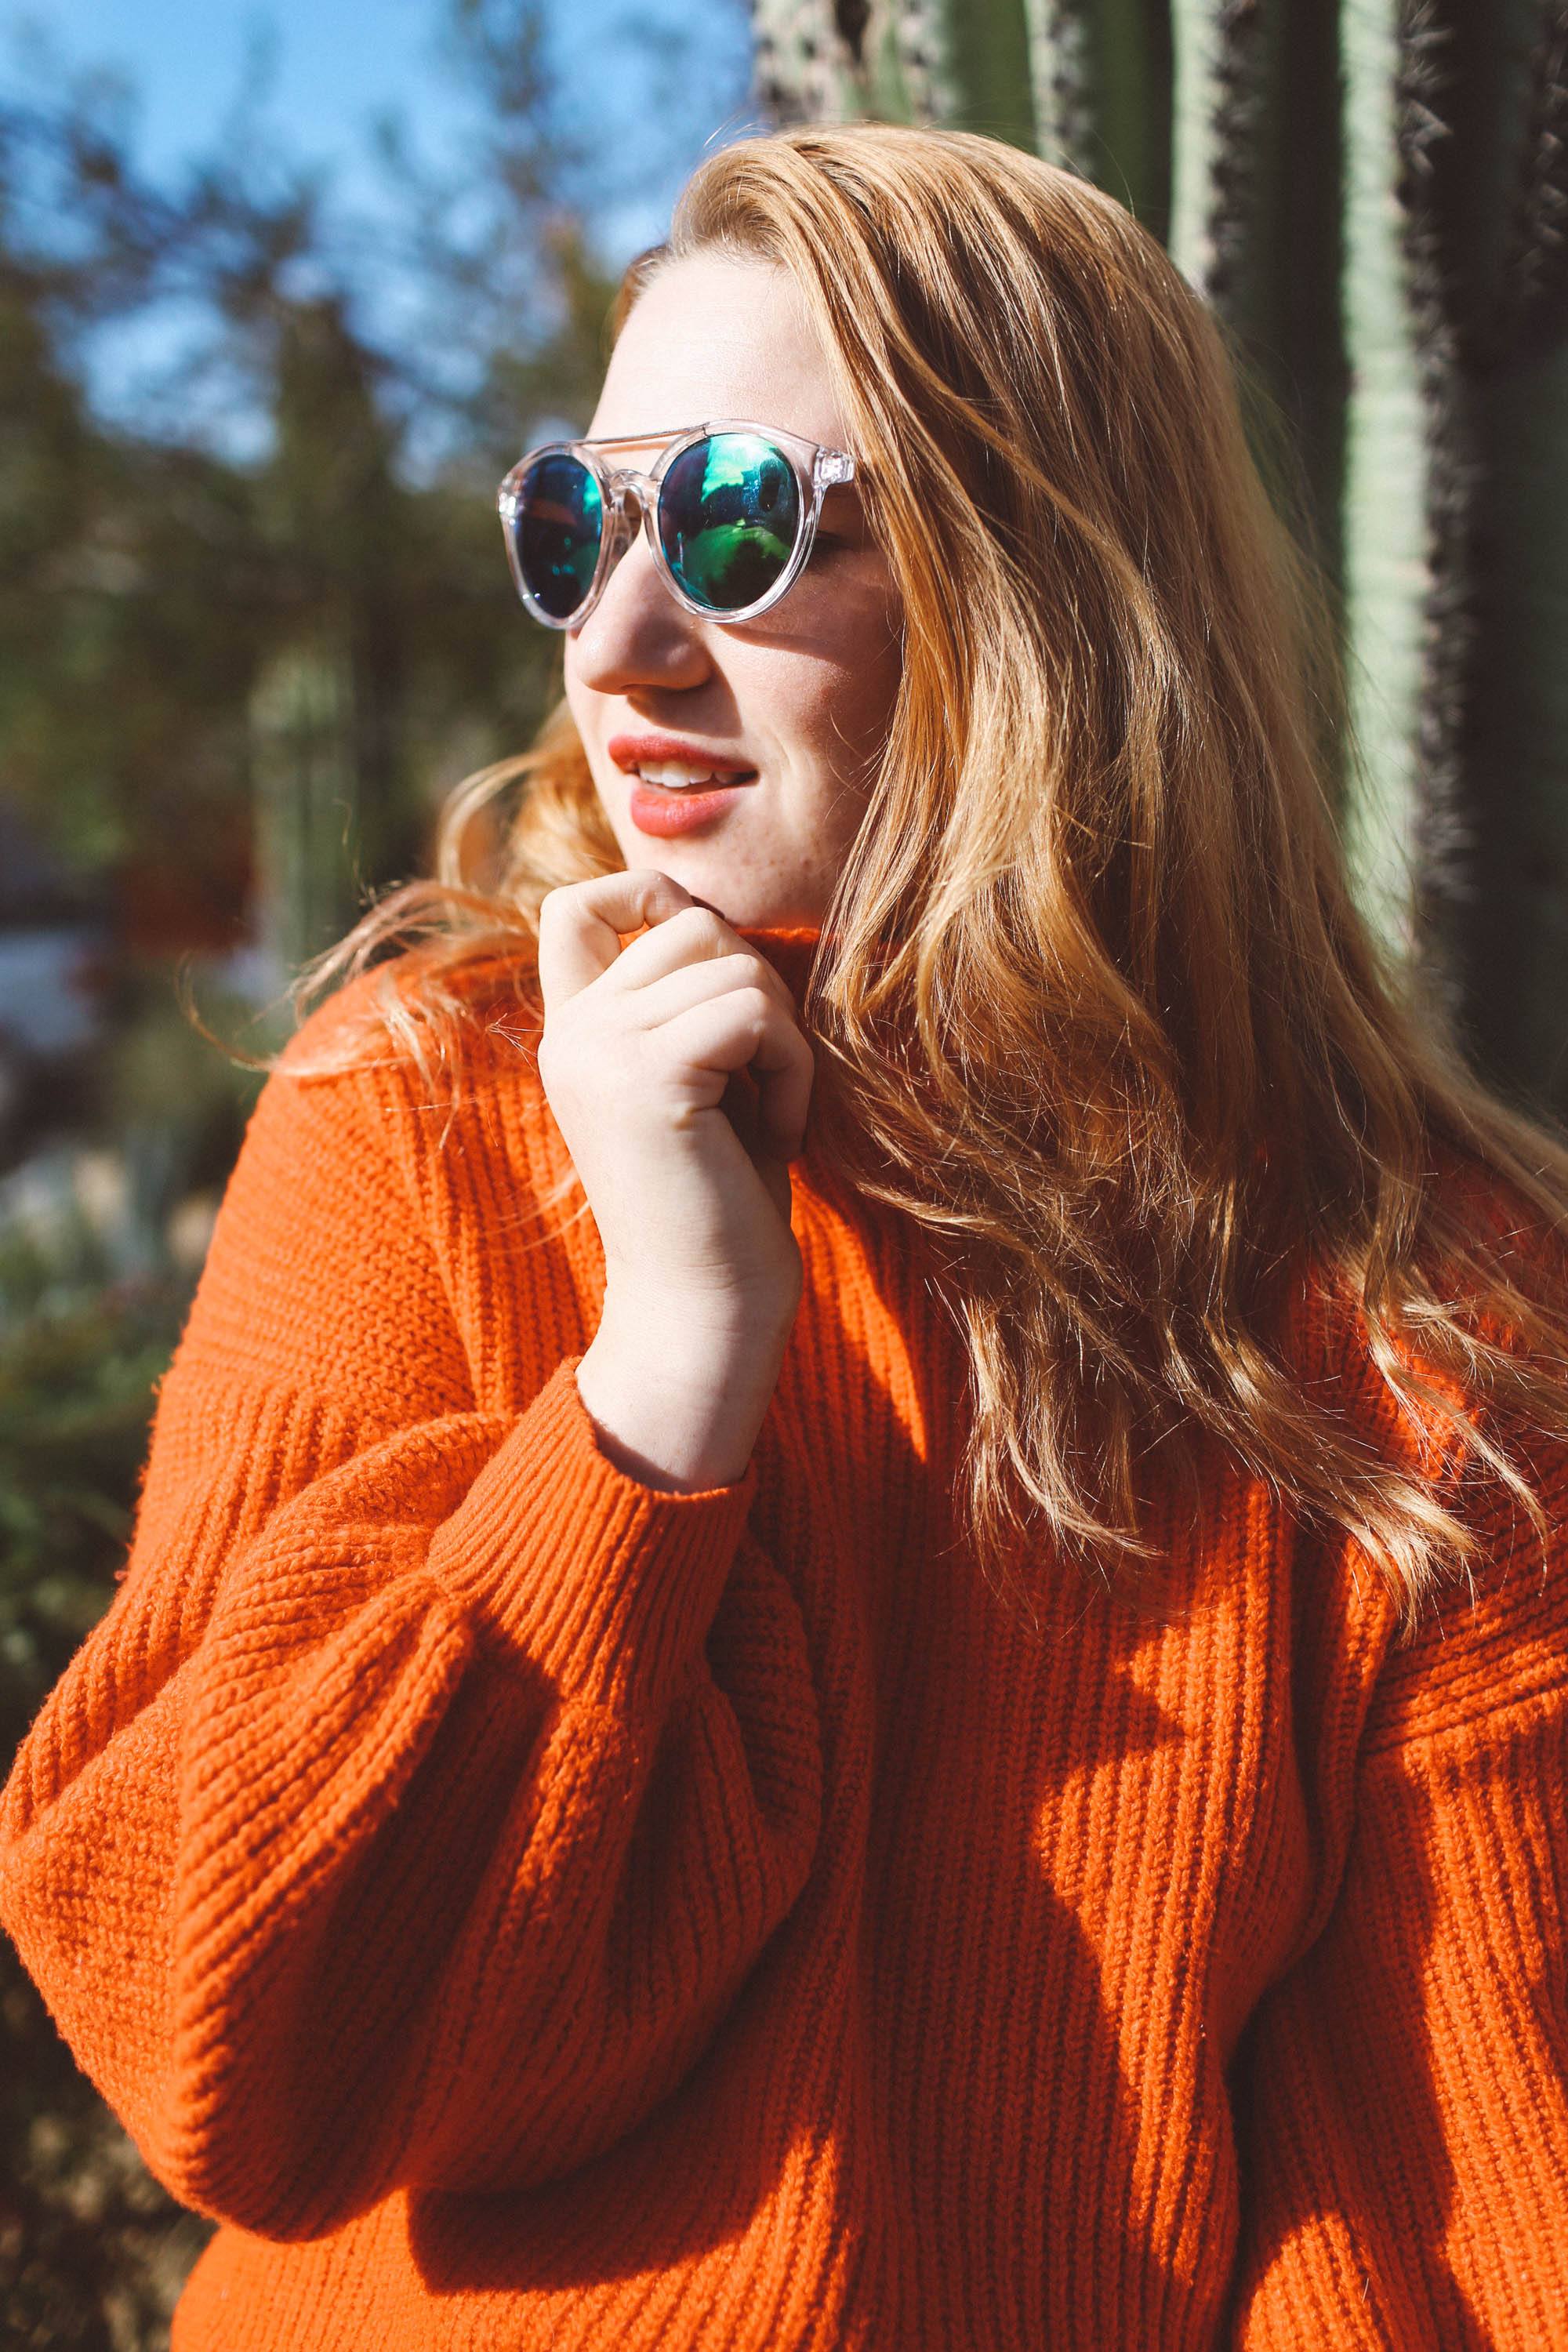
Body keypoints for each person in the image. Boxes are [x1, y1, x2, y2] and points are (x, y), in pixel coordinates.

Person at [3, 118, 1567, 2351]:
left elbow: (1460, 2224)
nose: (621, 642)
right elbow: (228, 2034)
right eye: (575, 526)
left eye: (736, 527)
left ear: (1047, 590)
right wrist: (657, 1393)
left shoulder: (1420, 1327)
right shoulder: (423, 1123)